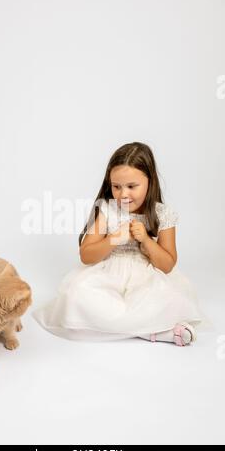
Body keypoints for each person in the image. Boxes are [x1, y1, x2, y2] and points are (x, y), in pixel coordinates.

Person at [32, 142, 203, 346]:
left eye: (132, 186)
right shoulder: (107, 209)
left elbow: (167, 265)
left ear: (150, 181)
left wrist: (146, 240)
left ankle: (120, 328)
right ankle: (151, 332)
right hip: (108, 274)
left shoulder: (162, 214)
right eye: (116, 186)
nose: (123, 194)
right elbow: (86, 255)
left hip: (145, 276)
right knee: (76, 293)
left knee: (171, 296)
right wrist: (113, 239)